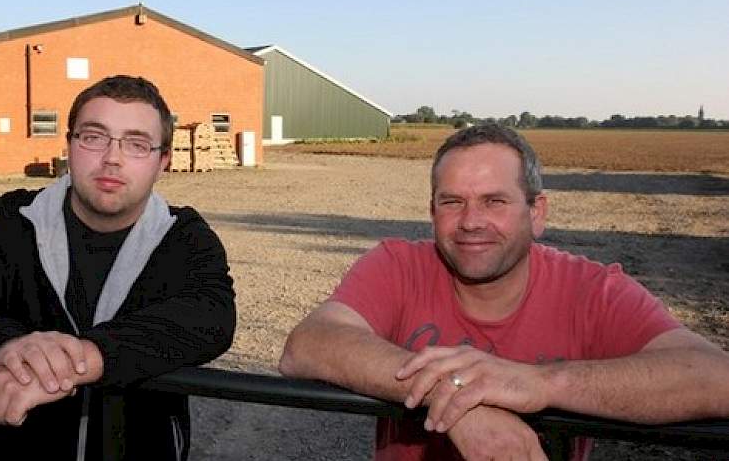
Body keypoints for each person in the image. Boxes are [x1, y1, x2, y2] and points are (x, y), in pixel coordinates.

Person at [279, 124, 729, 461]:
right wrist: (456, 398)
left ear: (537, 213)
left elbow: (714, 377)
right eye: (452, 202)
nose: (471, 221)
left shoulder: (591, 290)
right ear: (431, 211)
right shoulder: (399, 265)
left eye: (495, 201)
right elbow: (308, 346)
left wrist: (539, 384)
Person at [0, 75, 236, 461]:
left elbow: (210, 317)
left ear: (163, 161)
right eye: (93, 136)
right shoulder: (9, 223)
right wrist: (8, 346)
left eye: (137, 144)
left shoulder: (183, 237)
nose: (112, 158)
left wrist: (83, 358)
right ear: (69, 144)